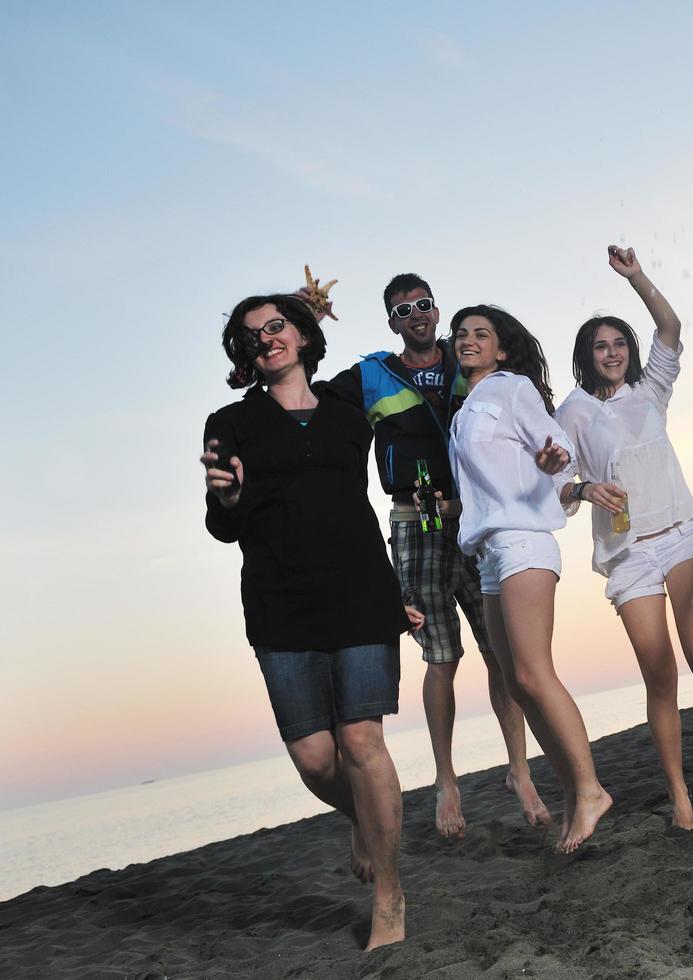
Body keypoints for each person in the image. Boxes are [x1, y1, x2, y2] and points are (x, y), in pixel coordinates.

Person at [201, 293, 412, 950]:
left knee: (361, 745)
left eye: (277, 325)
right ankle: (364, 820)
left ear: (300, 335)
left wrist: (400, 586)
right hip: (280, 604)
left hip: (360, 595)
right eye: (253, 335)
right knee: (316, 758)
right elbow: (223, 525)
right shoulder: (229, 423)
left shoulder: (350, 415)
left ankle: (388, 892)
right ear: (245, 353)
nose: (268, 339)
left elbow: (372, 488)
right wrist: (227, 496)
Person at [320, 274, 549, 839]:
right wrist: (308, 324)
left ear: (435, 310)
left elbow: (523, 405)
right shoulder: (372, 374)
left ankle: (519, 771)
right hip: (413, 521)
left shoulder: (469, 358)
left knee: (500, 652)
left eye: (423, 304)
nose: (415, 314)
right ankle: (447, 780)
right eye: (403, 310)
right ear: (392, 321)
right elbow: (310, 401)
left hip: (474, 514)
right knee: (441, 658)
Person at [555, 245, 693, 830]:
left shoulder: (651, 391)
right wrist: (584, 488)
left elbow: (671, 325)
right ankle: (680, 796)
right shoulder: (572, 411)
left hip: (678, 537)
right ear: (586, 358)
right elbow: (554, 486)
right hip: (627, 555)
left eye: (619, 343)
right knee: (659, 673)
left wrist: (636, 276)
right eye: (601, 346)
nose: (612, 353)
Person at [441, 304, 612, 852]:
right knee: (515, 682)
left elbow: (556, 452)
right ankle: (572, 791)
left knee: (536, 675)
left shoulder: (512, 389)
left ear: (502, 348)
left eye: (480, 334)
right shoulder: (463, 410)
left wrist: (554, 460)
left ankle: (591, 790)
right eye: (461, 334)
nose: (468, 341)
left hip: (523, 541)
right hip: (489, 550)